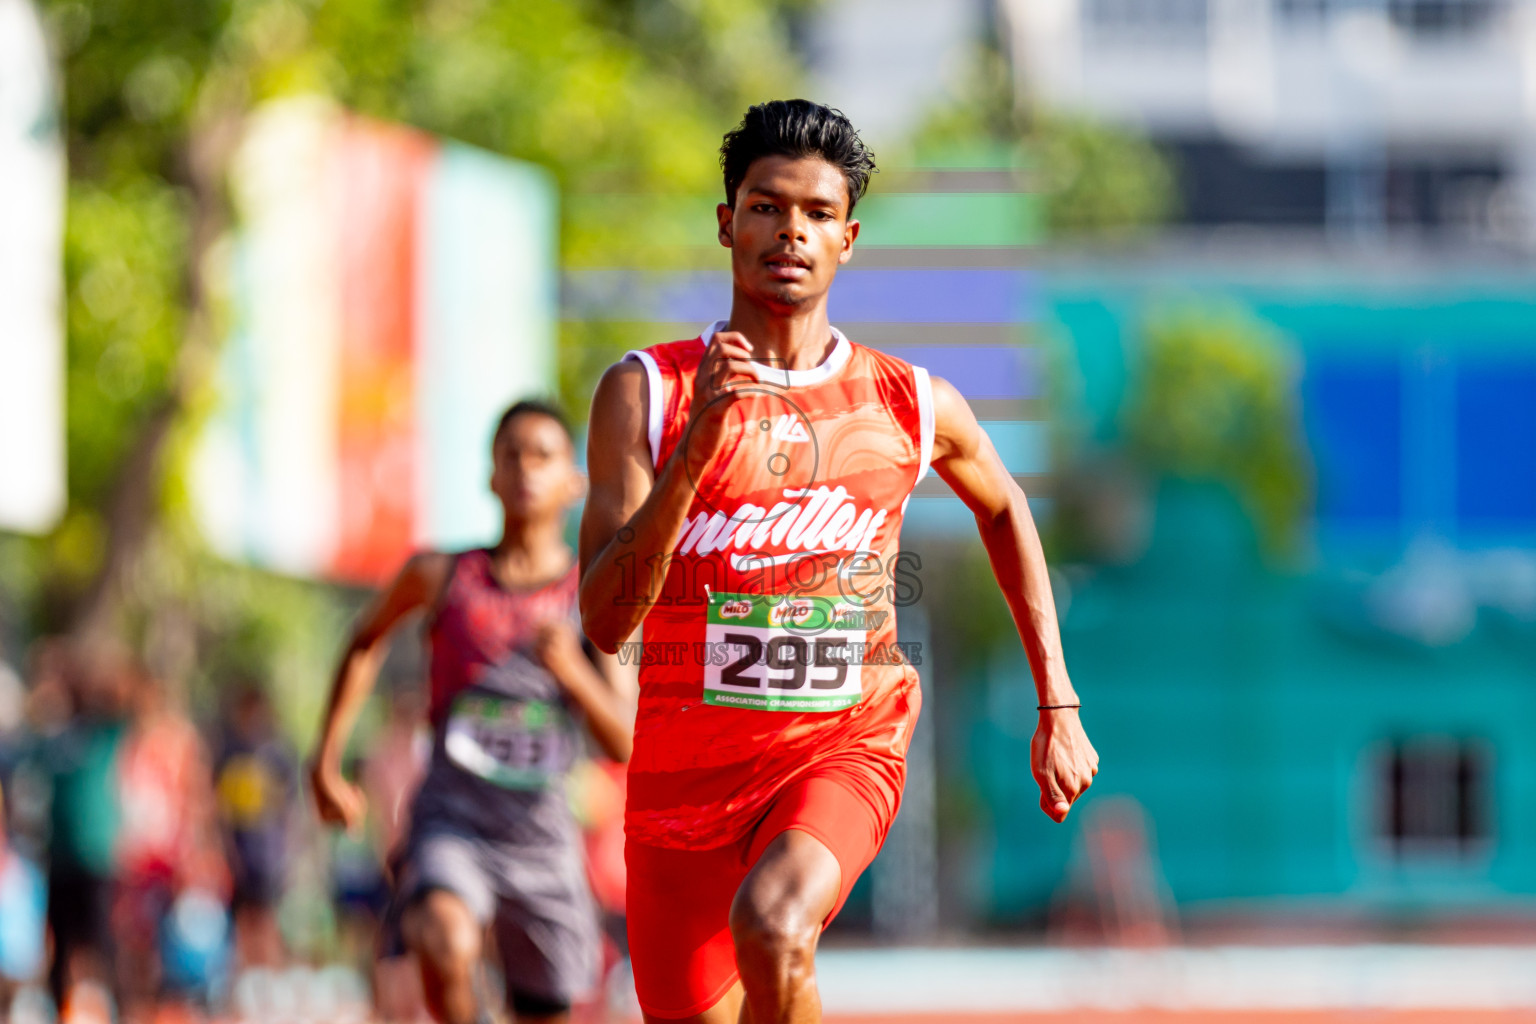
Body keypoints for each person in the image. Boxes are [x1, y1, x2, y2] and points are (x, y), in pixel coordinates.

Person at [578, 99, 1101, 1023]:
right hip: (681, 783)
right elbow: (605, 620)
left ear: (848, 238)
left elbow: (1005, 505)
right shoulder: (647, 391)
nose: (791, 232)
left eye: (817, 214)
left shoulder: (907, 399)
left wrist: (1056, 699)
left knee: (776, 924)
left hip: (840, 745)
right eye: (768, 206)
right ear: (727, 221)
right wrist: (694, 456)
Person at [310, 400, 637, 1024]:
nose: (523, 469)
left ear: (573, 484)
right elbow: (363, 641)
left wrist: (571, 670)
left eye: (542, 455)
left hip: (541, 838)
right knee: (442, 936)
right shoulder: (442, 576)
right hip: (451, 823)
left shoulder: (591, 601)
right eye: (509, 454)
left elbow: (624, 738)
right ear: (490, 476)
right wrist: (325, 761)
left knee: (544, 1011)